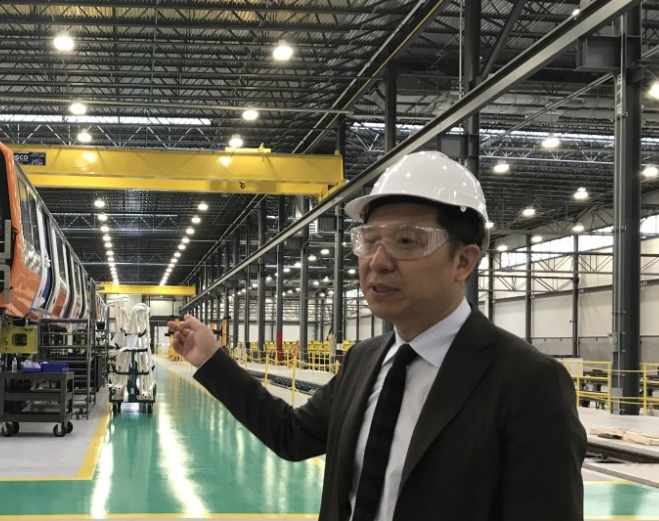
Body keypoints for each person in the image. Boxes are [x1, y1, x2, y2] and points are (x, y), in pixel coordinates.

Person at [168, 151, 586, 521]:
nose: (378, 262)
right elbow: (291, 436)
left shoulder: (527, 383)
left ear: (463, 261)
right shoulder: (364, 360)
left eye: (406, 242)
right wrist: (212, 359)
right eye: (369, 241)